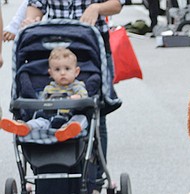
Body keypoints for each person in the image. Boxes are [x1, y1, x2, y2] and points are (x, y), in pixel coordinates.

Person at [22, 0, 123, 175]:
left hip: (90, 45)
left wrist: (96, 8)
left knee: (97, 113)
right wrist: (31, 20)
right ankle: (43, 171)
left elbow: (117, 4)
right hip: (54, 46)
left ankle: (95, 176)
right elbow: (36, 5)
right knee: (40, 110)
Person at [1, 46, 89, 142]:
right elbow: (42, 102)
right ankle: (25, 127)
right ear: (50, 73)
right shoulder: (49, 88)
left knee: (81, 119)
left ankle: (66, 130)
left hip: (69, 117)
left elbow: (84, 96)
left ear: (76, 72)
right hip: (49, 117)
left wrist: (77, 98)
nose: (62, 73)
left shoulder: (77, 86)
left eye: (67, 69)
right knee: (39, 122)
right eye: (57, 70)